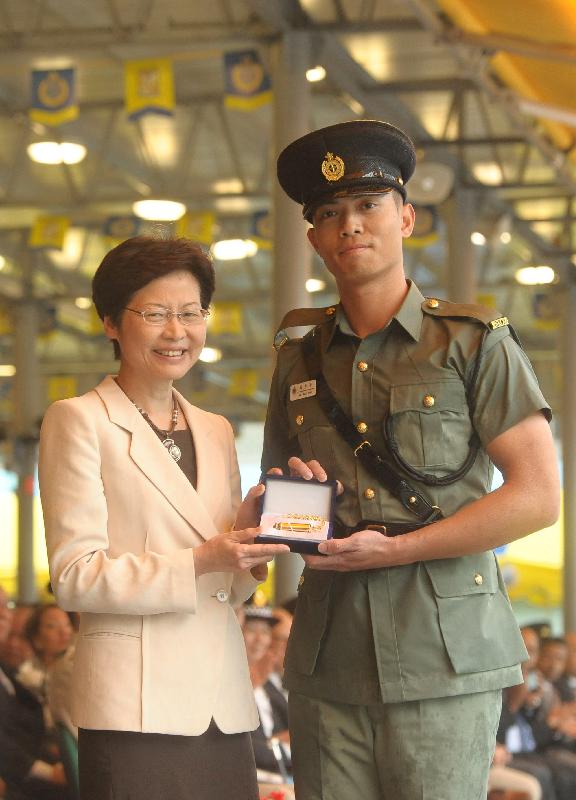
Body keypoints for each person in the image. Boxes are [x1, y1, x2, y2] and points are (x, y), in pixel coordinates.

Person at [261, 120, 560, 800]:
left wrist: (395, 551)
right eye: (330, 214)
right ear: (312, 240)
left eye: (368, 205)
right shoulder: (296, 357)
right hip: (327, 657)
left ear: (406, 217)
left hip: (444, 657)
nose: (350, 226)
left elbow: (538, 496)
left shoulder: (471, 342)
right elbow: (283, 504)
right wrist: (298, 524)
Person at [39, 236, 289, 800]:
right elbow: (74, 576)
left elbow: (230, 586)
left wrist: (249, 540)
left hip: (222, 706)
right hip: (135, 706)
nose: (177, 331)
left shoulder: (217, 429)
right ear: (110, 322)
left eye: (191, 313)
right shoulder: (80, 421)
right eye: (154, 313)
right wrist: (203, 558)